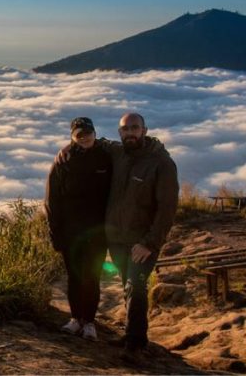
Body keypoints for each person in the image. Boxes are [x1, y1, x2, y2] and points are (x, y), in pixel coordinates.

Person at [103, 112, 179, 356]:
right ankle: (134, 335)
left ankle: (135, 345)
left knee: (135, 285)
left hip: (143, 242)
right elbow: (96, 143)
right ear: (120, 132)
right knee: (128, 287)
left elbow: (167, 209)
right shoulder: (118, 154)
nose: (130, 133)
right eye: (125, 129)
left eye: (134, 128)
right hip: (117, 239)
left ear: (144, 131)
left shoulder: (161, 163)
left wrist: (150, 243)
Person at [45, 116, 112, 342]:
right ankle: (76, 319)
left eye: (88, 133)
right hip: (70, 231)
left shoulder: (106, 157)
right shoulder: (63, 160)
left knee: (92, 276)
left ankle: (89, 322)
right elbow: (52, 200)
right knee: (74, 276)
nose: (84, 138)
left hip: (98, 232)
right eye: (79, 135)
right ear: (72, 136)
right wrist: (55, 233)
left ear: (94, 133)